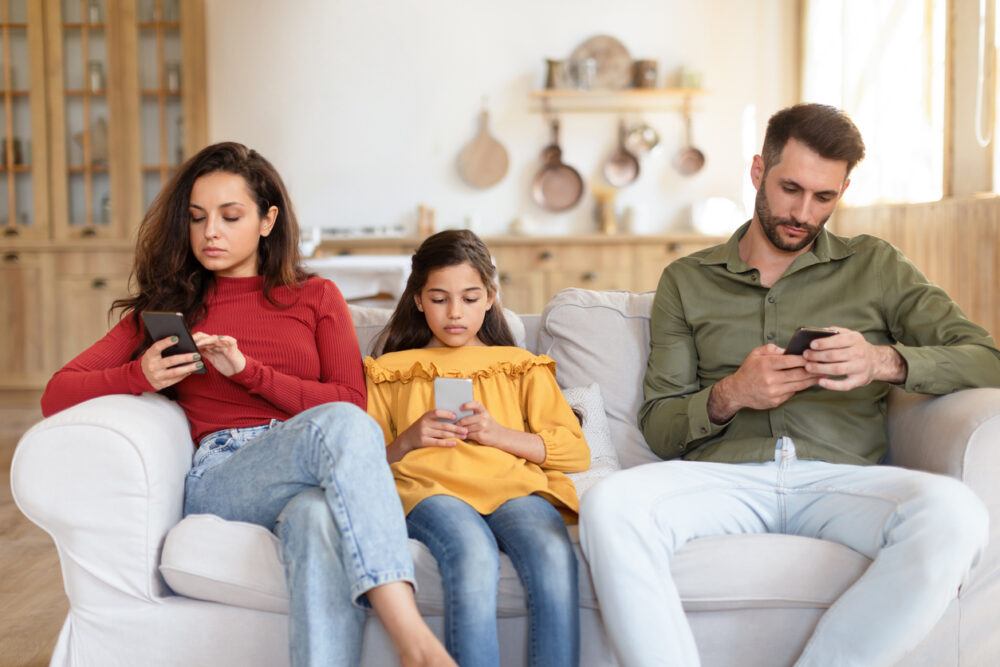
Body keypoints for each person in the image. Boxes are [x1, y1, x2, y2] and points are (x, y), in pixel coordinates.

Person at [579, 103, 1000, 666]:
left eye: (824, 197)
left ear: (843, 190)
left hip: (841, 479)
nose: (803, 213)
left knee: (957, 514)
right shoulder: (687, 280)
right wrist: (732, 394)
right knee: (610, 504)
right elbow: (659, 425)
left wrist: (881, 361)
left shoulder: (876, 266)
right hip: (723, 479)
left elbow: (986, 359)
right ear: (758, 171)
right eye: (790, 189)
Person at [40, 142, 454, 667]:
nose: (210, 232)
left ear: (267, 221)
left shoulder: (316, 296)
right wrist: (137, 374)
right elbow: (56, 393)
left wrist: (249, 373)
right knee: (338, 429)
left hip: (310, 468)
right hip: (225, 475)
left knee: (316, 518)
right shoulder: (169, 308)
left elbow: (353, 405)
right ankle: (413, 639)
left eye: (230, 216)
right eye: (197, 217)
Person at [365, 229, 590, 667]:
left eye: (469, 298)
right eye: (439, 299)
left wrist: (497, 434)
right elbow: (363, 461)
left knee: (552, 553)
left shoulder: (521, 366)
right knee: (471, 555)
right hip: (430, 492)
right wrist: (408, 439)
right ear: (418, 300)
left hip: (514, 490)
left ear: (490, 297)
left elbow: (575, 452)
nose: (455, 313)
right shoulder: (388, 370)